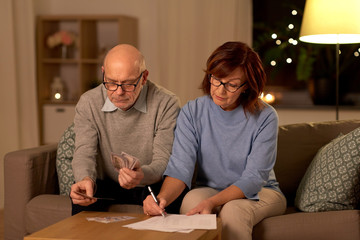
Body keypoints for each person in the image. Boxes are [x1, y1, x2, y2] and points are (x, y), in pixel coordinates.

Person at [143, 41, 287, 240]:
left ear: (247, 86)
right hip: (209, 188)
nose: (220, 90)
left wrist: (213, 202)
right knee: (191, 201)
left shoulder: (266, 116)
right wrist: (161, 199)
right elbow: (180, 169)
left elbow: (253, 178)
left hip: (261, 191)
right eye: (216, 79)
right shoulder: (192, 112)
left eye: (232, 85)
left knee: (233, 211)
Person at [70, 44, 182, 215]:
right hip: (106, 183)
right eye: (112, 83)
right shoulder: (88, 102)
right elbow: (84, 151)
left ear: (144, 77)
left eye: (128, 84)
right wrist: (85, 179)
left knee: (168, 199)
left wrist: (141, 174)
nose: (119, 92)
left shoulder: (166, 103)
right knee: (83, 202)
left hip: (149, 182)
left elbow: (163, 160)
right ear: (103, 73)